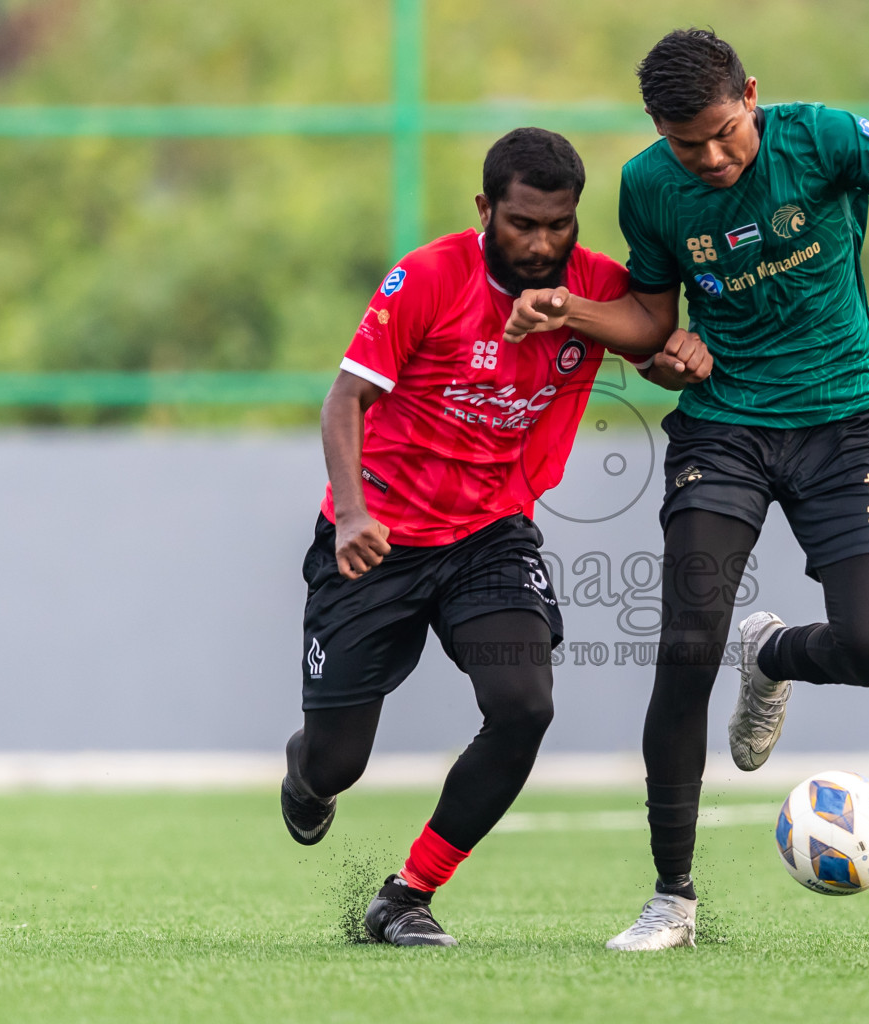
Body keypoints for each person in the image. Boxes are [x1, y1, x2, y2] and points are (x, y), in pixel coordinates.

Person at [503, 29, 869, 950]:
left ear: (753, 97)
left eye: (726, 133)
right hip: (723, 428)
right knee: (687, 646)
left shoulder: (824, 138)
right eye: (689, 143)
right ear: (659, 130)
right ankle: (672, 896)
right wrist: (593, 322)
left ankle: (771, 656)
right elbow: (653, 322)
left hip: (844, 419)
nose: (714, 157)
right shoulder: (649, 186)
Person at [279, 127, 711, 947]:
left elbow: (648, 345)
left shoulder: (594, 288)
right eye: (523, 224)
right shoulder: (429, 277)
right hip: (376, 537)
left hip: (490, 535)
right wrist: (353, 511)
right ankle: (308, 772)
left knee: (524, 706)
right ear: (486, 210)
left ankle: (406, 895)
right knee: (338, 761)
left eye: (560, 224)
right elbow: (344, 400)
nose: (543, 244)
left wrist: (680, 356)